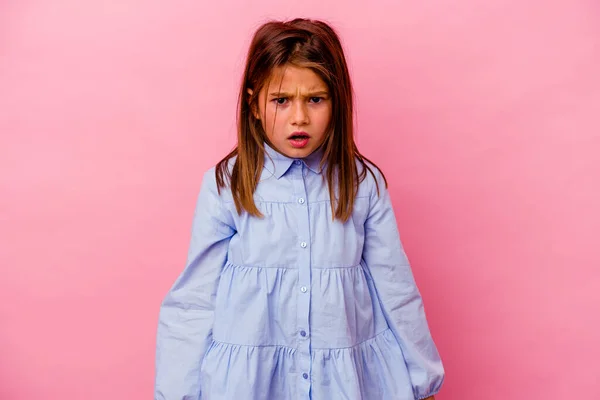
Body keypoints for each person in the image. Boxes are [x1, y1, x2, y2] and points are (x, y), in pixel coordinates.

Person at [154, 18, 444, 400]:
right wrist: (178, 392)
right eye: (281, 100)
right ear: (253, 104)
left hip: (343, 381)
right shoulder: (226, 184)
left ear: (337, 101)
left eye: (315, 99)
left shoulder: (363, 184)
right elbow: (194, 299)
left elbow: (396, 286)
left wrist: (423, 380)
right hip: (252, 383)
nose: (299, 118)